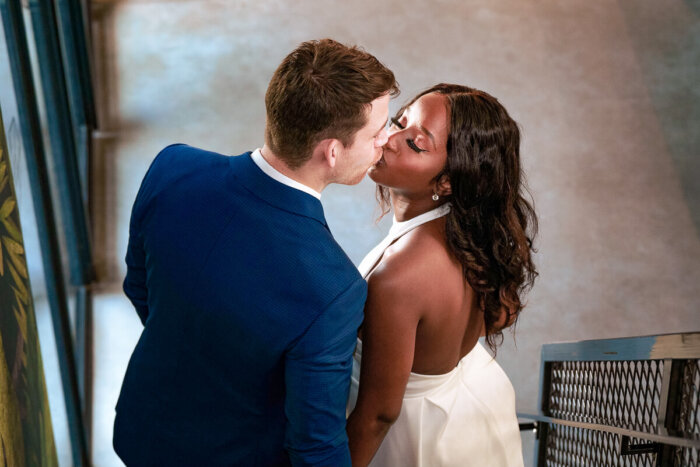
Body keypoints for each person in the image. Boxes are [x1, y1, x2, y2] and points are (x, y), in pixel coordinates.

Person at [113, 39, 398, 466]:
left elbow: (139, 287)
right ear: (332, 151)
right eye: (378, 132)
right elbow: (315, 444)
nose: (387, 140)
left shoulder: (172, 167)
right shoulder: (333, 289)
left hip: (141, 430)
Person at [346, 83, 537, 467]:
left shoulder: (401, 275)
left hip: (411, 438)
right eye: (399, 121)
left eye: (416, 144)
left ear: (447, 181)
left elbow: (378, 415)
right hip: (467, 409)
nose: (388, 140)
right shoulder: (466, 236)